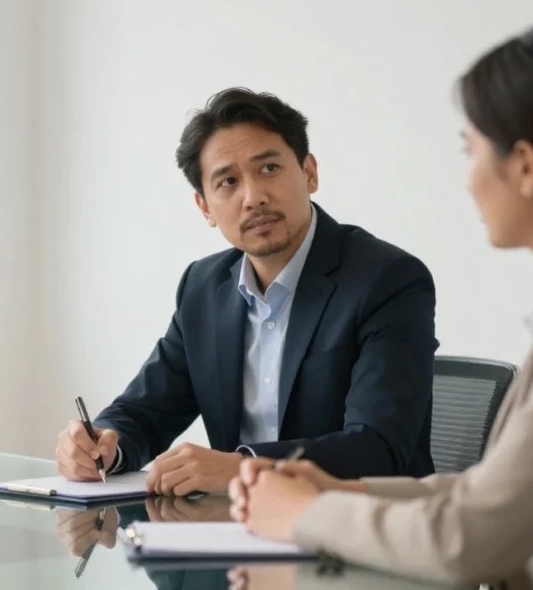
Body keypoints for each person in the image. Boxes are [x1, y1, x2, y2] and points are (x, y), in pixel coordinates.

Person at [229, 23, 533, 589]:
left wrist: (305, 515)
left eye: (471, 152)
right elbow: (487, 492)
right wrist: (337, 489)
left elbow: (470, 540)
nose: (466, 181)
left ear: (527, 167)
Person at [56, 88, 439, 495]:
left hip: (355, 533)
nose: (253, 197)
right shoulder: (203, 288)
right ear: (205, 207)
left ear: (309, 172)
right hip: (238, 536)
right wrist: (103, 444)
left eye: (269, 168)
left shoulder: (387, 279)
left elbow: (377, 448)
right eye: (228, 182)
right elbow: (145, 411)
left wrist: (244, 467)